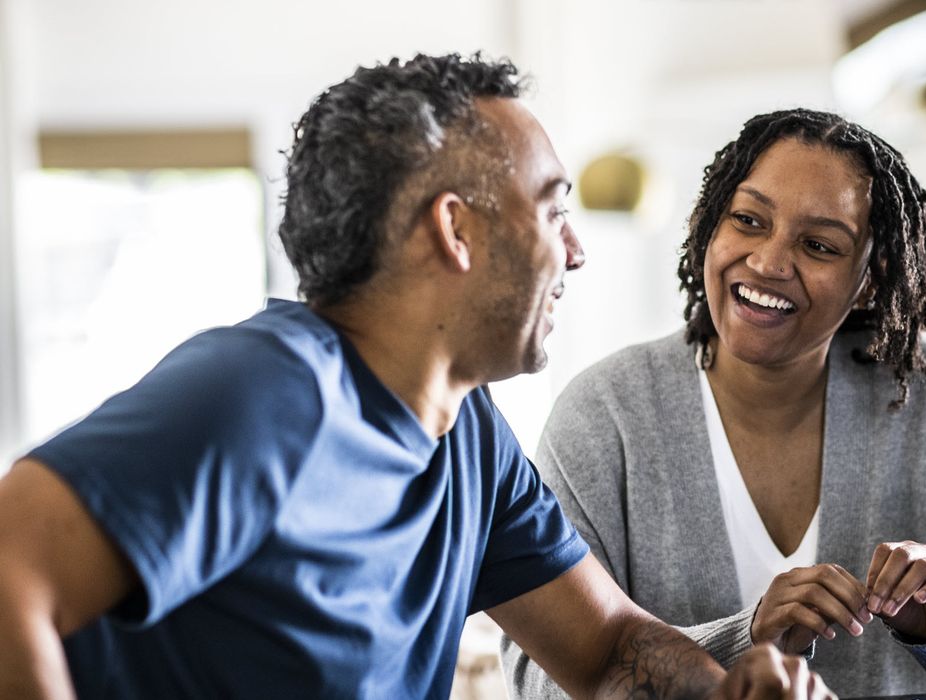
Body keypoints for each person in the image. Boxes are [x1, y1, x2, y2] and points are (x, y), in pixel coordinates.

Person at [0, 54, 835, 700]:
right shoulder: (271, 390)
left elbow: (609, 648)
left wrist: (730, 688)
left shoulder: (467, 434)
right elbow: (10, 567)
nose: (574, 251)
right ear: (457, 231)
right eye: (551, 209)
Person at [503, 109, 926, 698]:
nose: (769, 262)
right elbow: (540, 679)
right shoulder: (605, 417)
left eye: (819, 245)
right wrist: (746, 638)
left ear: (869, 278)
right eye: (748, 220)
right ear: (708, 229)